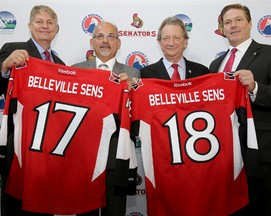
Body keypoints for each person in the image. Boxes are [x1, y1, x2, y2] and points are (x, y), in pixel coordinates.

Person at [209, 4, 271, 216]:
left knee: (260, 209)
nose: (233, 25)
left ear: (250, 23)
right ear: (222, 29)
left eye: (238, 20)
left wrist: (255, 87)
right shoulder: (216, 64)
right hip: (224, 150)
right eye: (227, 22)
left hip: (261, 149)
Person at [0, 5, 65, 216]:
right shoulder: (13, 49)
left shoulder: (61, 64)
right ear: (29, 26)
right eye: (39, 22)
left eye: (49, 23)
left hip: (50, 151)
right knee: (16, 205)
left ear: (57, 28)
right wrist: (4, 68)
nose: (45, 26)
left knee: (43, 205)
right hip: (19, 145)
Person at [72, 21, 140, 216]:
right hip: (84, 156)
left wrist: (132, 91)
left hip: (116, 156)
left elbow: (136, 118)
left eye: (111, 37)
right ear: (91, 42)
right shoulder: (76, 70)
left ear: (119, 43)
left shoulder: (133, 74)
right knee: (85, 211)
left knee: (115, 211)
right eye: (100, 36)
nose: (105, 41)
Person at [140, 16, 209, 79]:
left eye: (176, 38)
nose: (171, 43)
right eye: (166, 38)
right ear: (160, 43)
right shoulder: (146, 75)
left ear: (185, 42)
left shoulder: (202, 73)